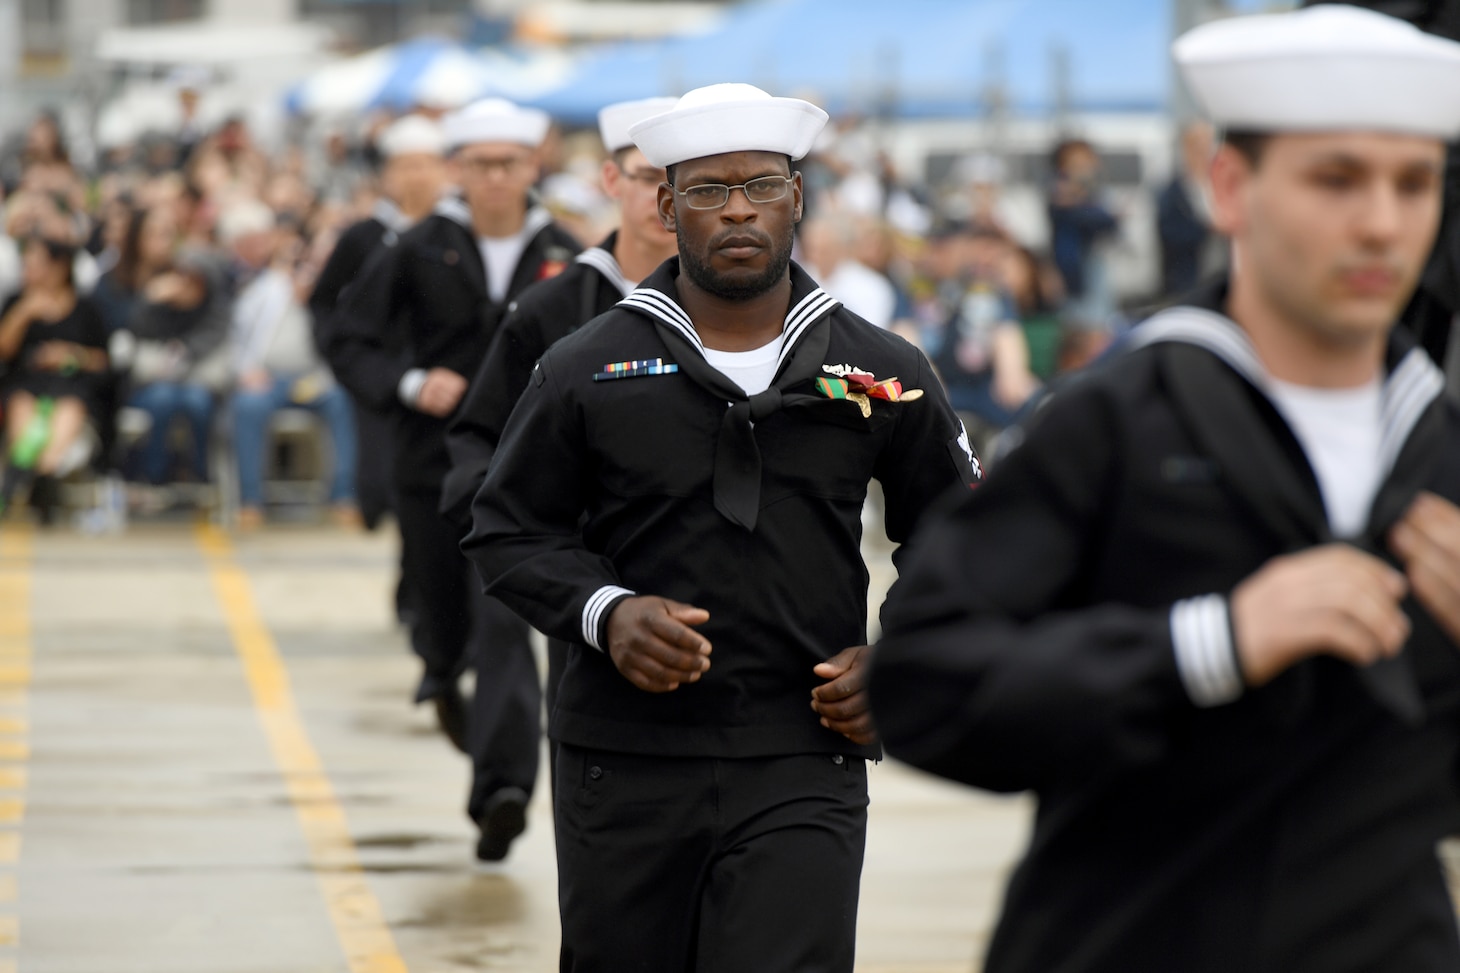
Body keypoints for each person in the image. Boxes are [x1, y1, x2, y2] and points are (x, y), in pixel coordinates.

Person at [868, 7, 1460, 972]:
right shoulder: (1115, 418)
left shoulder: (1442, 446)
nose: (1382, 223)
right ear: (1231, 187)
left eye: (1416, 183)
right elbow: (924, 685)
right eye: (1336, 179)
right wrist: (1207, 645)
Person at [462, 83, 980, 972]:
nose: (738, 208)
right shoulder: (584, 366)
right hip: (622, 761)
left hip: (804, 755)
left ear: (798, 198)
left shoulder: (880, 368)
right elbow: (506, 528)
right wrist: (607, 611)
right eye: (706, 190)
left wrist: (902, 658)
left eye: (762, 186)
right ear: (666, 207)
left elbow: (968, 533)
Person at [331, 97, 580, 863]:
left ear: (534, 166)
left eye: (511, 162)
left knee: (506, 619)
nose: (498, 177)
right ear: (457, 170)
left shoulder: (566, 255)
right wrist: (408, 382)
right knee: (441, 619)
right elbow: (351, 336)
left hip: (522, 474)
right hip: (431, 465)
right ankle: (440, 677)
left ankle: (502, 790)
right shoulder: (416, 248)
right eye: (481, 164)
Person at [443, 95, 678, 718]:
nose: (664, 201)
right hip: (581, 573)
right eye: (648, 178)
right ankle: (501, 787)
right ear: (610, 180)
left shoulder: (747, 307)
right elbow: (482, 432)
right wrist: (507, 528)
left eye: (682, 182)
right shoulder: (554, 307)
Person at [311, 114, 448, 532]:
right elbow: (325, 302)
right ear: (387, 174)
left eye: (426, 164)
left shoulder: (452, 234)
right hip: (379, 368)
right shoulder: (363, 237)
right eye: (407, 166)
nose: (417, 177)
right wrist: (344, 356)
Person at [223, 200, 358, 530]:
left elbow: (339, 344)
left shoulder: (333, 292)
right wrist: (246, 372)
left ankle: (343, 497)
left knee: (342, 401)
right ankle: (250, 502)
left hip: (316, 379)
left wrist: (313, 300)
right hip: (268, 380)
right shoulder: (262, 290)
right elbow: (238, 339)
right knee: (247, 407)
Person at [0, 235, 109, 521]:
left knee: (68, 410)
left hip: (73, 385)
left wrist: (70, 355)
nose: (28, 271)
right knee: (23, 409)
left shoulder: (86, 308)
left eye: (36, 264)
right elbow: (4, 350)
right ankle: (29, 475)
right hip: (27, 383)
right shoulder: (16, 301)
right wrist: (23, 312)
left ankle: (41, 474)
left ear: (59, 267)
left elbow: (104, 360)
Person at [1156, 120, 1220, 299]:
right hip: (1186, 280)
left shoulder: (1220, 183)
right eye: (1197, 145)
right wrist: (1207, 228)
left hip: (1219, 277)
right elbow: (1169, 233)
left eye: (1208, 144)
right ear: (1185, 148)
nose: (1203, 151)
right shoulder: (1173, 190)